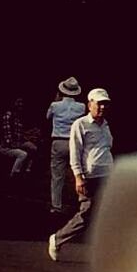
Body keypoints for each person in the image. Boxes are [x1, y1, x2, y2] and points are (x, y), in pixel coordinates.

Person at [48, 88, 113, 262]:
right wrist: (78, 176)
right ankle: (57, 239)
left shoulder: (105, 125)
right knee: (87, 213)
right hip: (89, 177)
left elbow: (106, 149)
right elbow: (75, 153)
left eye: (105, 104)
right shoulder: (81, 124)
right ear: (89, 104)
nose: (102, 108)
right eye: (99, 104)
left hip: (106, 175)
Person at [45, 77, 87, 214]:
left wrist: (56, 100)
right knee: (79, 173)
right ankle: (82, 202)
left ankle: (56, 205)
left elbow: (47, 117)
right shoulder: (81, 107)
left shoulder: (54, 105)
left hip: (58, 141)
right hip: (74, 142)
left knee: (57, 175)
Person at [0, 98, 37, 177]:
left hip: (18, 143)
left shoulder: (18, 117)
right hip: (7, 146)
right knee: (23, 154)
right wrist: (11, 143)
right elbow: (7, 133)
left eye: (21, 102)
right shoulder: (8, 116)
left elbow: (20, 134)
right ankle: (14, 174)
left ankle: (27, 170)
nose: (20, 105)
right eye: (18, 102)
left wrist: (27, 138)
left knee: (33, 148)